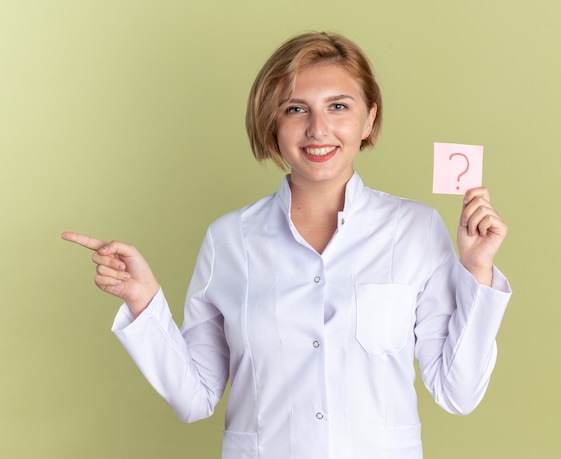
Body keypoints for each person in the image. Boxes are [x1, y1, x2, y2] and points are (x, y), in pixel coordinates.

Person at [62, 31, 511, 459]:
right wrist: (144, 302)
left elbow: (457, 393)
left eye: (338, 106)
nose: (318, 129)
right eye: (296, 109)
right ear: (271, 122)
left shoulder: (415, 229)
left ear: (369, 117)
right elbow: (194, 397)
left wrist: (477, 271)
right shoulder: (228, 240)